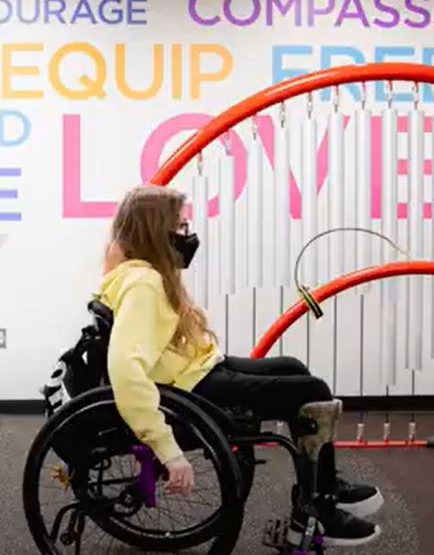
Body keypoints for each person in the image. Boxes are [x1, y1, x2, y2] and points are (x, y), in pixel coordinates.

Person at [98, 184, 382, 547]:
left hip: (192, 371)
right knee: (311, 391)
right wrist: (168, 451)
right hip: (189, 389)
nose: (187, 235)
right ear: (156, 232)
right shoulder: (145, 284)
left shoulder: (138, 271)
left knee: (293, 367)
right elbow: (125, 372)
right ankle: (316, 508)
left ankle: (323, 488)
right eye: (179, 227)